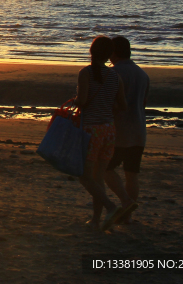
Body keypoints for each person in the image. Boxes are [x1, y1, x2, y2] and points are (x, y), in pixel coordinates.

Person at [76, 36, 129, 231]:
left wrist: (76, 100)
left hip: (91, 130)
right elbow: (123, 105)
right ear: (109, 55)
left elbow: (82, 101)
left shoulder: (86, 73)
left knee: (85, 176)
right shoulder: (115, 77)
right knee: (98, 177)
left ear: (91, 51)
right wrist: (107, 104)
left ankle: (111, 206)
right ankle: (96, 220)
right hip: (109, 130)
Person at [104, 36, 149, 225]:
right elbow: (143, 102)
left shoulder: (113, 74)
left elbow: (110, 103)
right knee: (132, 174)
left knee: (105, 168)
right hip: (138, 129)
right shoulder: (142, 74)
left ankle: (126, 201)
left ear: (113, 53)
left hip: (120, 130)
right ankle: (128, 214)